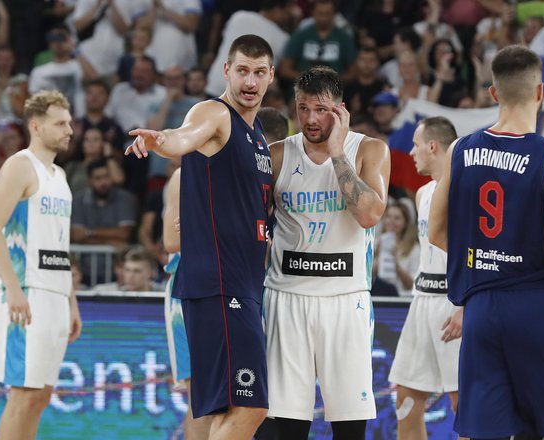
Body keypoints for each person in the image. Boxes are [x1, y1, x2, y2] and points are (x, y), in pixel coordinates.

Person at [125, 34, 275, 440]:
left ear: (270, 76)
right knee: (251, 405)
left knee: (224, 410)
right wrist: (161, 141)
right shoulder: (215, 113)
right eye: (242, 70)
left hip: (240, 286)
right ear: (227, 71)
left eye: (259, 72)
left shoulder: (257, 133)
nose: (250, 81)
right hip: (219, 285)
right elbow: (184, 136)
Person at [429, 45, 544, 440]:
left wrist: (486, 260)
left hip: (481, 308)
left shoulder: (459, 150)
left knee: (486, 431)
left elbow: (434, 230)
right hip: (537, 303)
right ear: (540, 94)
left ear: (493, 93)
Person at [263, 66, 390, 439]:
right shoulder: (277, 155)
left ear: (340, 110)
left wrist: (337, 153)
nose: (311, 119)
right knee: (286, 426)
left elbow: (368, 214)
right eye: (303, 109)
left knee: (349, 426)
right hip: (287, 297)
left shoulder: (369, 149)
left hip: (345, 298)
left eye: (320, 109)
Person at [0, 90, 83, 440]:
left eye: (70, 122)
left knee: (40, 396)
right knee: (23, 396)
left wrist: (71, 302)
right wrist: (12, 288)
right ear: (36, 126)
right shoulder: (19, 166)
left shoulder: (61, 176)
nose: (70, 129)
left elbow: (61, 247)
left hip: (55, 293)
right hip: (26, 292)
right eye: (61, 123)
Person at [388, 116, 465, 440]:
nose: (412, 151)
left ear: (433, 145)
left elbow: (472, 253)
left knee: (463, 404)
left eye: (417, 145)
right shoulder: (421, 194)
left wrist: (465, 305)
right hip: (422, 300)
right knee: (405, 398)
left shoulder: (464, 189)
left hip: (453, 301)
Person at [162, 165, 213, 440]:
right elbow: (171, 240)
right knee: (203, 398)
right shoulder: (186, 174)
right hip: (192, 287)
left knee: (237, 399)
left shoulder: (246, 167)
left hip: (238, 288)